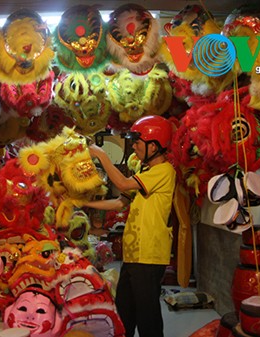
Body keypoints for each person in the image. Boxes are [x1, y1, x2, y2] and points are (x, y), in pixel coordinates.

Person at [85, 115, 176, 337]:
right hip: (135, 255)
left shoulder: (164, 171)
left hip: (149, 255)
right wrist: (82, 203)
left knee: (148, 318)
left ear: (153, 145)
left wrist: (102, 154)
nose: (134, 146)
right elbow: (119, 202)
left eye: (137, 142)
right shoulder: (145, 173)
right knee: (125, 312)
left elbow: (123, 183)